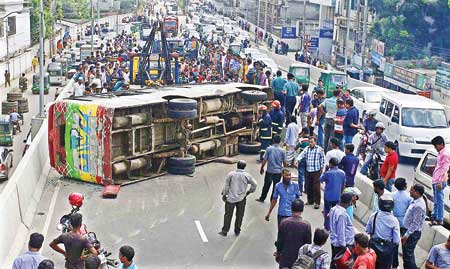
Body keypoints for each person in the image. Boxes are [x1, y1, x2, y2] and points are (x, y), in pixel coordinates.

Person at [219, 160, 257, 236]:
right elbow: (255, 184)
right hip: (242, 198)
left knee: (228, 215)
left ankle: (225, 231)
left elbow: (226, 186)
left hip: (230, 199)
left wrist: (224, 195)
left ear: (237, 165)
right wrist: (249, 191)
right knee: (240, 215)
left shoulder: (231, 174)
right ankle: (237, 230)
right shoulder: (247, 175)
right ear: (244, 167)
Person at [365, 193, 400, 269]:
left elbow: (367, 230)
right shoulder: (394, 220)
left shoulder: (374, 215)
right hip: (387, 253)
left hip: (373, 249)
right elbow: (396, 241)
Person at [275, 199, 311, 269]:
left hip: (285, 257)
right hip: (299, 259)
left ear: (291, 209)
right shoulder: (306, 225)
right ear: (302, 210)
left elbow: (280, 241)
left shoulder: (284, 222)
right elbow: (308, 245)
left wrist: (278, 253)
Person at [402, 184, 427, 269]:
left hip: (412, 233)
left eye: (412, 190)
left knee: (408, 255)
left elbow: (416, 223)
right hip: (409, 231)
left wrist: (406, 235)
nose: (410, 191)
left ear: (417, 192)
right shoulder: (415, 201)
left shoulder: (419, 205)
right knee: (406, 254)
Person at [296, 136, 324, 209]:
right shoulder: (307, 149)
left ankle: (317, 202)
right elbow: (301, 155)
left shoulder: (319, 150)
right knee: (309, 186)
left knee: (316, 187)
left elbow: (322, 160)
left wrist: (321, 169)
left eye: (312, 142)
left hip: (316, 171)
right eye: (309, 142)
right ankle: (310, 200)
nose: (310, 143)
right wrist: (297, 160)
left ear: (315, 142)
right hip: (308, 170)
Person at [257, 134, 286, 202]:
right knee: (275, 187)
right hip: (278, 172)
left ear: (273, 140)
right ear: (280, 142)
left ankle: (262, 198)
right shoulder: (282, 151)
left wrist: (262, 168)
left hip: (270, 171)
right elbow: (284, 162)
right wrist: (284, 171)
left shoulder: (269, 149)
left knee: (266, 186)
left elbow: (265, 160)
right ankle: (272, 200)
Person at [329, 193, 355, 269]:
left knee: (334, 263)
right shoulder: (342, 214)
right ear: (349, 202)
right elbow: (341, 231)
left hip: (334, 241)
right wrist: (344, 247)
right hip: (342, 245)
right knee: (342, 265)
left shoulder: (334, 209)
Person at [392, 178, 413, 269]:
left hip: (394, 223)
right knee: (406, 248)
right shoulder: (409, 197)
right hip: (405, 224)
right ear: (405, 186)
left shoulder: (392, 195)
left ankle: (394, 264)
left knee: (394, 245)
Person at [320, 157, 346, 231]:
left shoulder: (328, 173)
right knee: (336, 212)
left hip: (328, 196)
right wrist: (341, 194)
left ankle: (327, 227)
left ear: (330, 164)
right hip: (337, 196)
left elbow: (321, 179)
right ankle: (335, 227)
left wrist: (325, 170)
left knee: (327, 211)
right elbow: (343, 185)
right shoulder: (342, 173)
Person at [430, 135, 450, 226]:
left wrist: (440, 181)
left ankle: (439, 219)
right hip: (436, 180)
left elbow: (445, 169)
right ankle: (434, 216)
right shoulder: (441, 153)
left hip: (439, 180)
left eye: (436, 146)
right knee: (436, 200)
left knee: (439, 200)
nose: (435, 148)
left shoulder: (445, 154)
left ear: (441, 144)